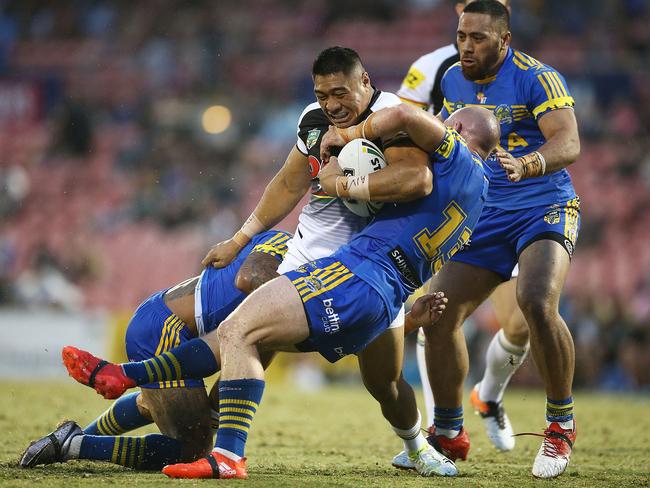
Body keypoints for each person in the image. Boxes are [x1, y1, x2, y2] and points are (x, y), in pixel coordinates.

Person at [61, 104, 499, 480]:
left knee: (237, 335)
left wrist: (343, 158)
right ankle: (121, 383)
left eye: (444, 121)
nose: (435, 125)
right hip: (386, 291)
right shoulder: (478, 200)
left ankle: (210, 444)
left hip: (357, 274)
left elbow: (405, 120)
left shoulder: (448, 152)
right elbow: (412, 217)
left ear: (457, 131)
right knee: (269, 344)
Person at [406, 0, 581, 479]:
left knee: (535, 301)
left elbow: (569, 142)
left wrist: (526, 165)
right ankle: (448, 433)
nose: (465, 46)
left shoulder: (537, 77)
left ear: (504, 40)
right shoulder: (452, 81)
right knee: (436, 311)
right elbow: (445, 141)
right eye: (461, 35)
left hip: (543, 206)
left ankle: (560, 426)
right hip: (485, 215)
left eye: (477, 38)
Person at [19, 230, 292, 471]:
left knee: (159, 403)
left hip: (165, 318)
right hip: (167, 329)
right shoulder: (290, 260)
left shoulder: (288, 251)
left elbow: (256, 348)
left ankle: (77, 438)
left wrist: (212, 413)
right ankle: (75, 445)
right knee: (192, 450)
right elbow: (250, 286)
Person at [394, 0, 527, 459]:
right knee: (439, 317)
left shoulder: (519, 71)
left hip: (510, 212)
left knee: (522, 323)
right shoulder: (433, 68)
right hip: (454, 209)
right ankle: (443, 430)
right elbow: (403, 130)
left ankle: (488, 395)